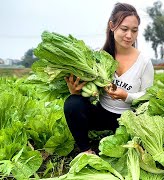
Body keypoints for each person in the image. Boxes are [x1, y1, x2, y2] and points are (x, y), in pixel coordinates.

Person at [63, 2, 154, 154]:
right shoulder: (99, 57)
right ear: (112, 26)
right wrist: (76, 92)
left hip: (131, 118)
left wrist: (126, 96)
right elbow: (88, 90)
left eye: (134, 30)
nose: (129, 35)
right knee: (72, 104)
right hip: (103, 113)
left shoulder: (144, 61)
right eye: (124, 29)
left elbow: (148, 96)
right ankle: (86, 151)